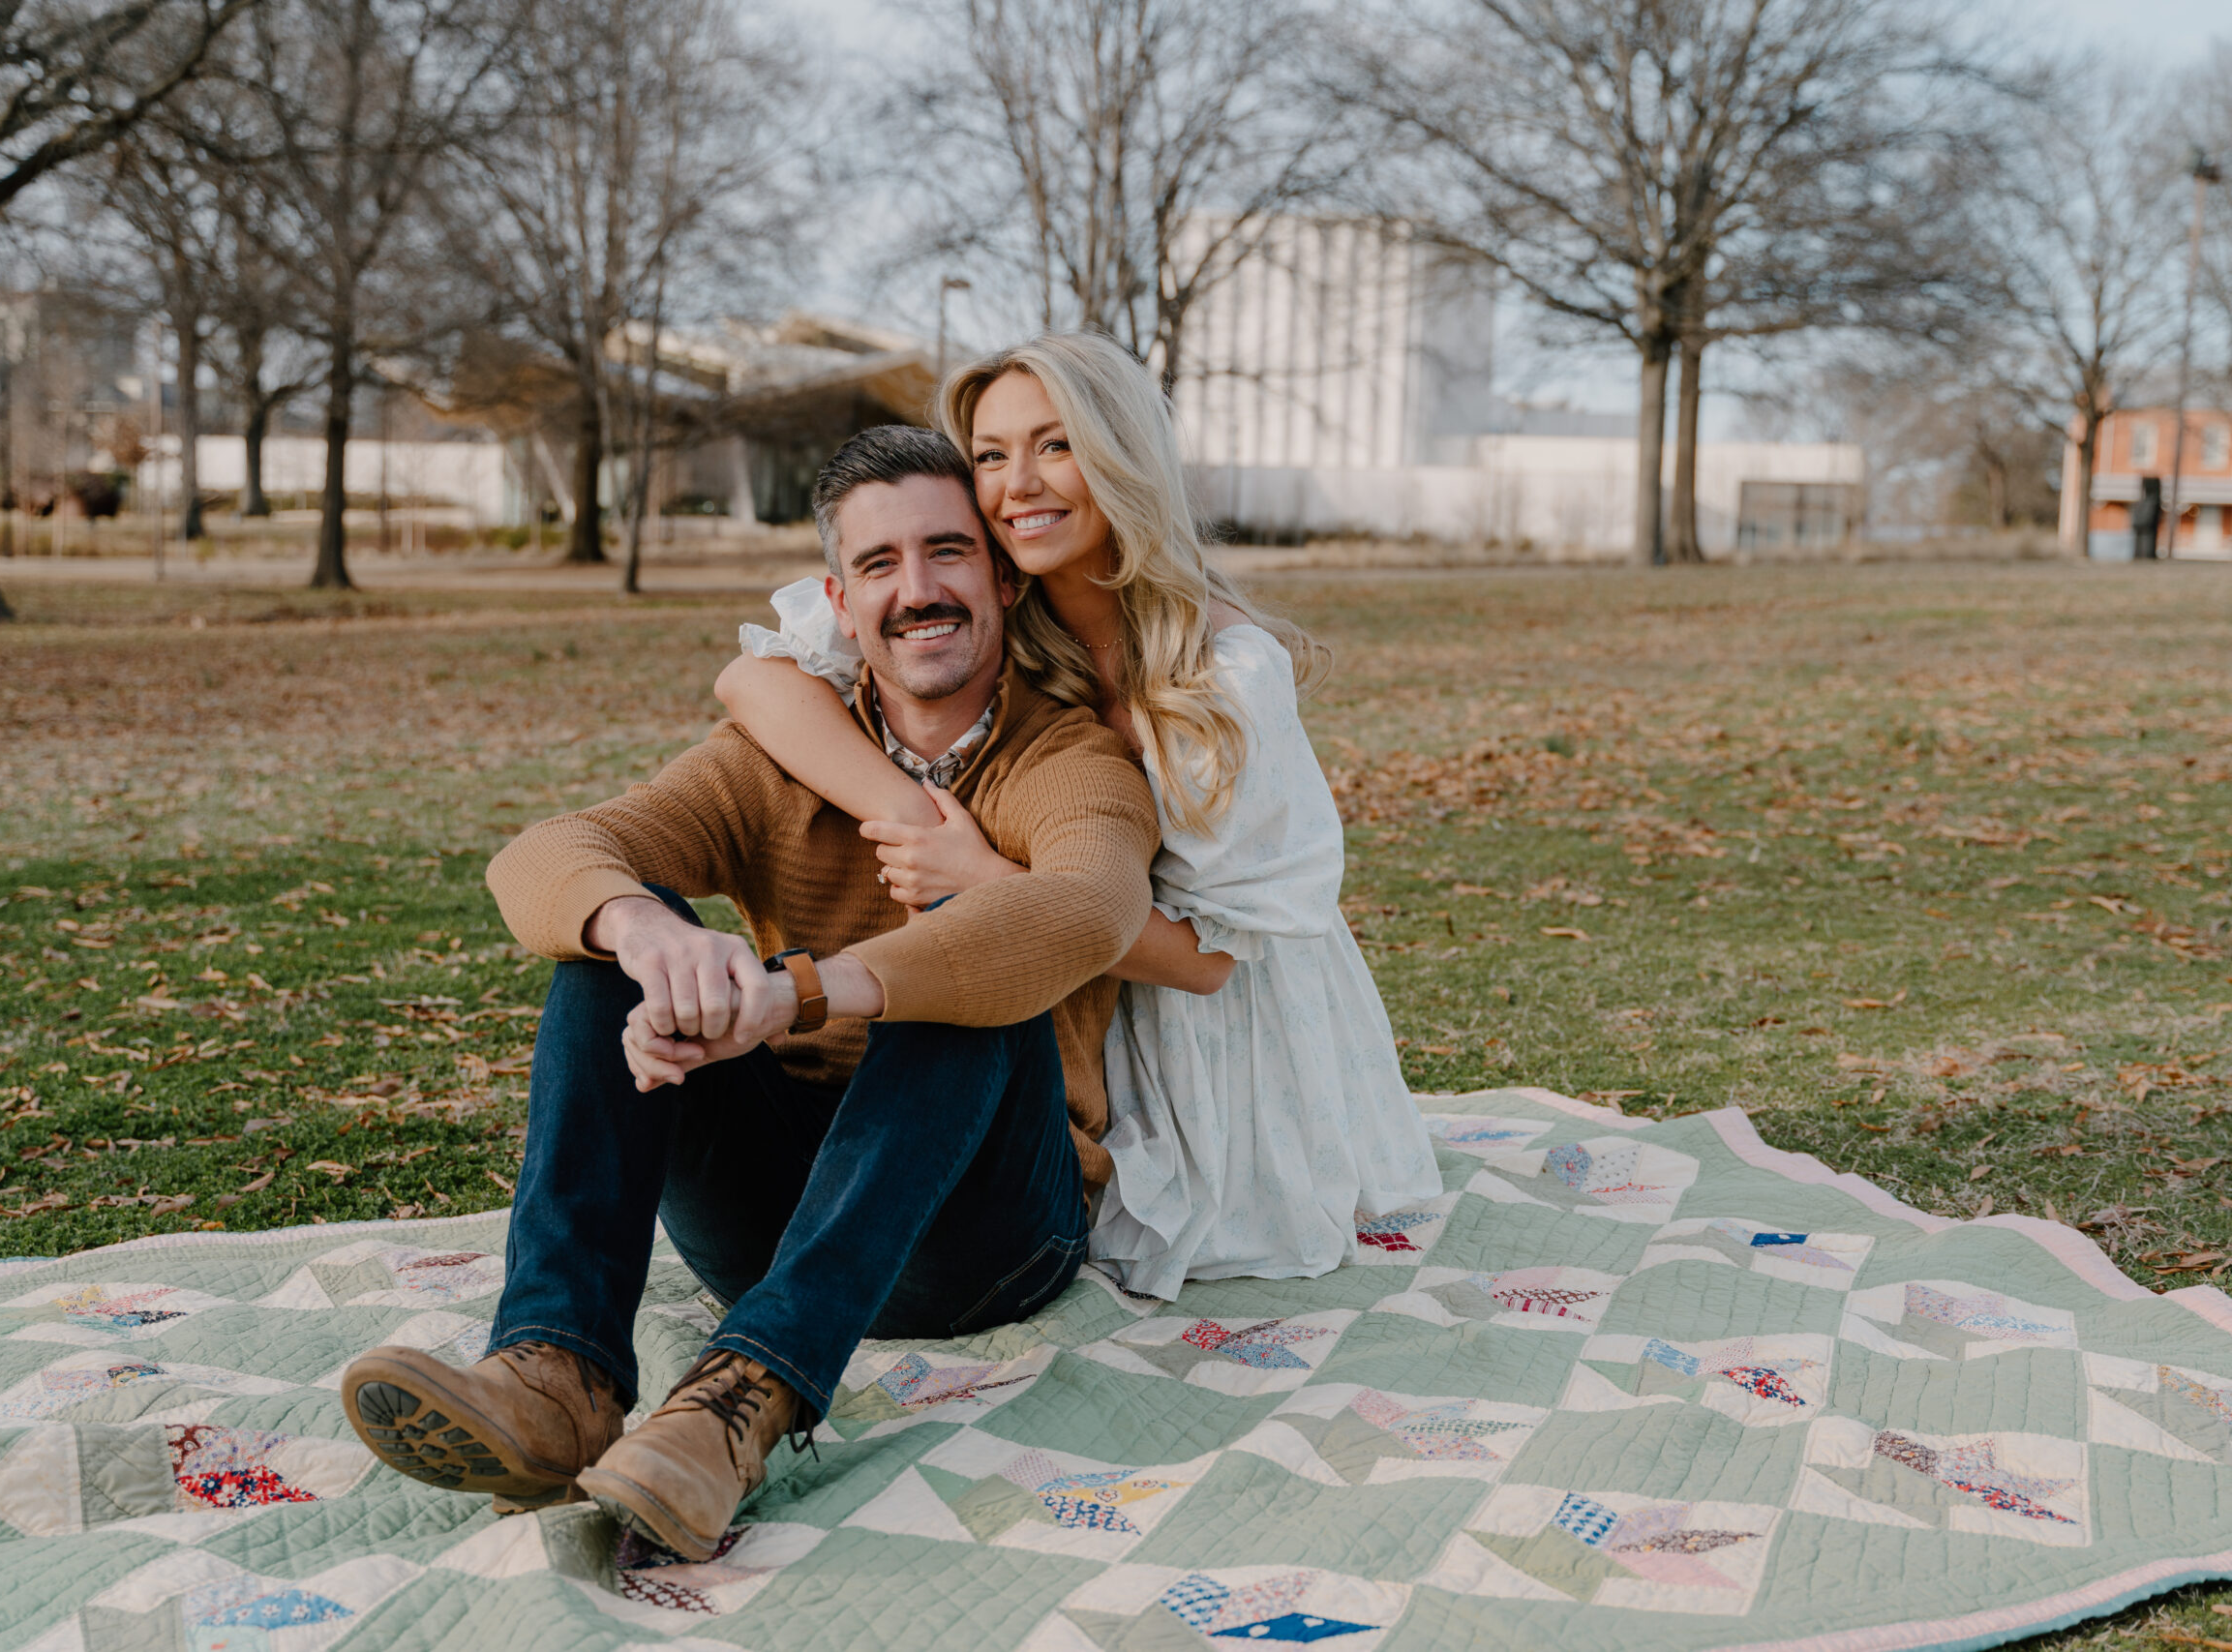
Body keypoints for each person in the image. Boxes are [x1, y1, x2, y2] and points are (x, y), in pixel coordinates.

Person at [338, 425, 1159, 1562]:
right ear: (838, 595)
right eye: (878, 566)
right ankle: (556, 1373)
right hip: (772, 1221)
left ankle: (737, 1407)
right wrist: (643, 932)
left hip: (985, 1236)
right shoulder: (774, 757)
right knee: (609, 954)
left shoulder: (1069, 762)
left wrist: (801, 992)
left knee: (963, 985)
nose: (915, 591)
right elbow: (543, 855)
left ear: (1003, 576)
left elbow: (1089, 910)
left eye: (946, 554)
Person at [717, 332, 1441, 1301]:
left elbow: (1206, 962)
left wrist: (985, 879)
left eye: (1054, 446)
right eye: (989, 454)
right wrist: (909, 814)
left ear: (1121, 457)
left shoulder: (1221, 672)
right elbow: (753, 681)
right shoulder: (987, 608)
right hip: (1062, 995)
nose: (1017, 483)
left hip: (1212, 1022)